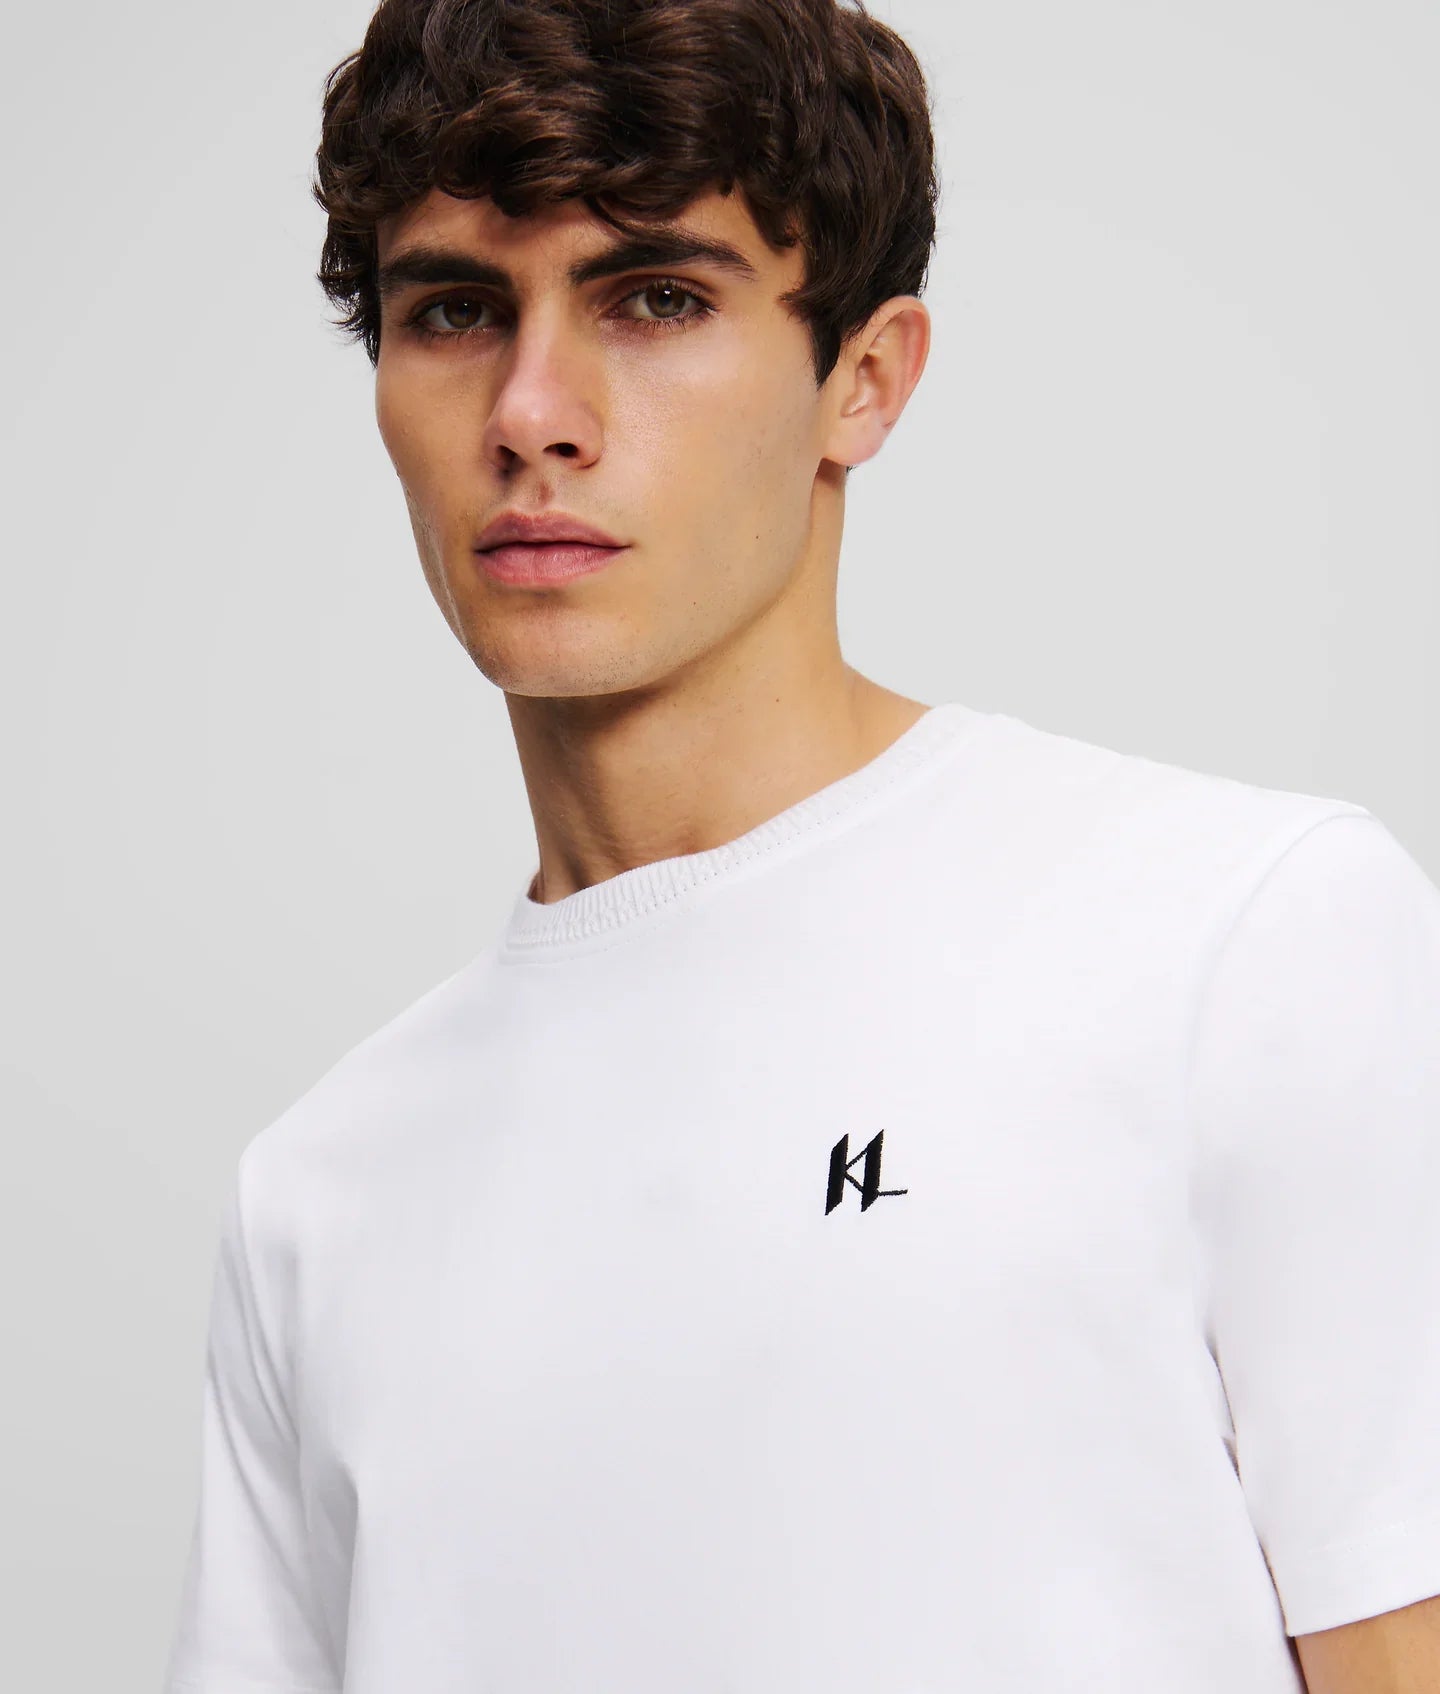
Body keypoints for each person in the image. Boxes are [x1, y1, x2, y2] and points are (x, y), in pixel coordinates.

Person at [161, 2, 1440, 1691]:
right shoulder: (315, 1195)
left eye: (655, 298)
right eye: (455, 310)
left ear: (865, 377)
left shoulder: (1244, 940)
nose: (533, 413)